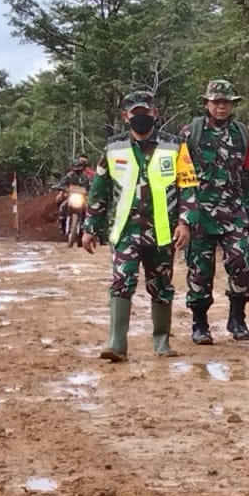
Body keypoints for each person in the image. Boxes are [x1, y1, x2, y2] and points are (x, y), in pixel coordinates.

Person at [81, 91, 198, 362]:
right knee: (122, 281)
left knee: (161, 285)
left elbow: (188, 184)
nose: (141, 118)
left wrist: (185, 222)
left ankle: (161, 342)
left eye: (146, 112)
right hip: (125, 231)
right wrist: (90, 227)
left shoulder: (175, 146)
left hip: (163, 230)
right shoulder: (113, 148)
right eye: (135, 113)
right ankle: (116, 344)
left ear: (154, 113)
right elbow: (100, 190)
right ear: (126, 117)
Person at [179, 79, 249, 344]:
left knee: (242, 262)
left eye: (226, 102)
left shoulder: (241, 134)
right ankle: (200, 324)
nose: (221, 107)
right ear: (207, 104)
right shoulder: (191, 133)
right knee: (200, 270)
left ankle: (237, 318)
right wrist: (184, 215)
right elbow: (182, 177)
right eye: (216, 102)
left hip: (234, 211)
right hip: (199, 212)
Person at [52, 155, 92, 234]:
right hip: (70, 196)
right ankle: (62, 225)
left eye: (79, 169)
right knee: (62, 206)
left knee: (88, 208)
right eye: (75, 168)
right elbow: (61, 183)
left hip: (82, 198)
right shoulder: (69, 176)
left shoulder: (85, 177)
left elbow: (90, 185)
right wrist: (59, 187)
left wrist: (90, 190)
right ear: (72, 168)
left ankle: (87, 226)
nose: (77, 170)